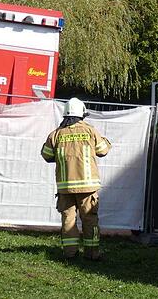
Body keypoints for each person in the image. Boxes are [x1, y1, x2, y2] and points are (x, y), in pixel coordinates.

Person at [41, 98, 111, 260]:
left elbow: (46, 155)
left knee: (68, 219)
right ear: (82, 114)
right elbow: (103, 150)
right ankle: (92, 254)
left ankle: (70, 254)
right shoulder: (90, 131)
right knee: (89, 220)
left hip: (65, 188)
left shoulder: (56, 134)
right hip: (88, 187)